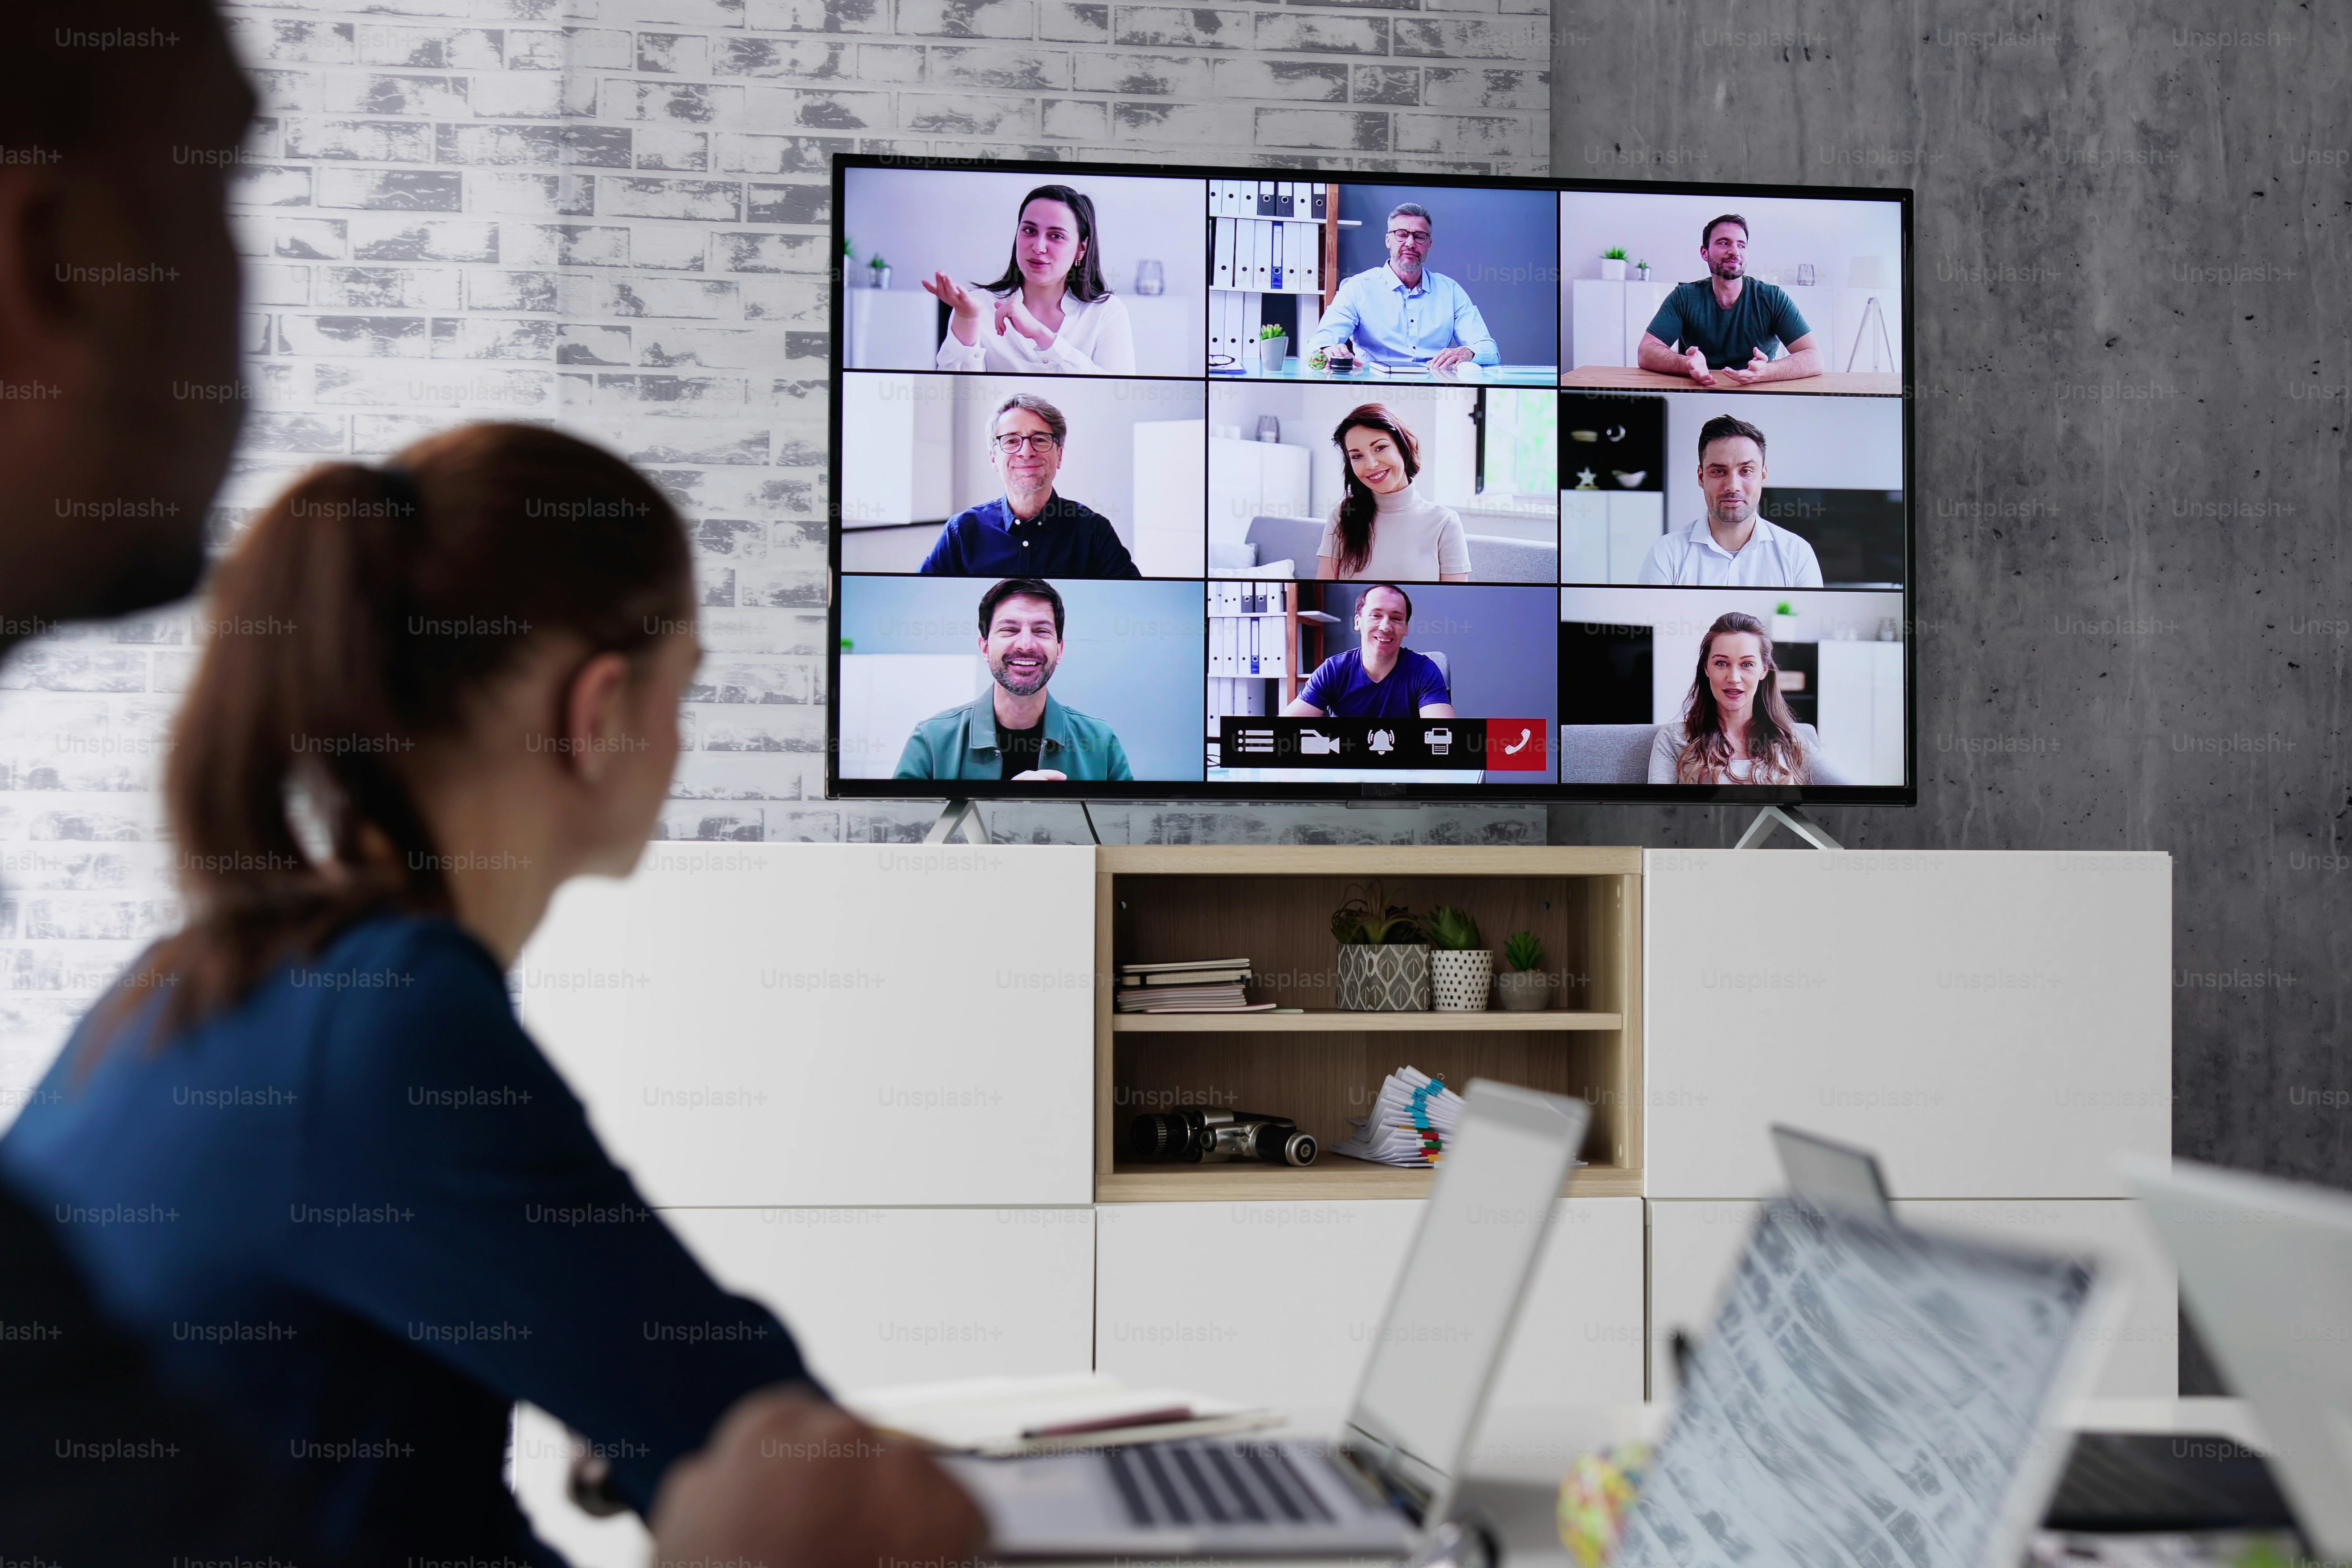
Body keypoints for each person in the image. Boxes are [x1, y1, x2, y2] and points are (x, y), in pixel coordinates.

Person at [0, 424, 986, 1563]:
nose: (681, 741)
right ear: (599, 712)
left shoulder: (185, 980)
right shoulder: (391, 1018)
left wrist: (630, 1400)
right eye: (685, 689)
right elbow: (801, 1463)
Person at [895, 577, 1135, 781]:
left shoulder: (1100, 741)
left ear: (1060, 650)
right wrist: (1005, 808)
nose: (1026, 645)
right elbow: (899, 822)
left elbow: (1128, 822)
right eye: (1010, 630)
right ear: (985, 648)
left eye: (1041, 631)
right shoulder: (932, 740)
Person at [920, 392, 1140, 578]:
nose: (1026, 453)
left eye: (1040, 440)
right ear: (994, 458)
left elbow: (1131, 599)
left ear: (1059, 455)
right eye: (1011, 441)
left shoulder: (1093, 531)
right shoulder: (962, 531)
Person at [925, 183, 1136, 375]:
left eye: (1056, 236)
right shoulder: (979, 305)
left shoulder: (1106, 311)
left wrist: (1041, 335)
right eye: (1029, 231)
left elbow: (1115, 392)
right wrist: (967, 319)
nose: (1038, 247)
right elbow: (954, 392)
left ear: (1082, 248)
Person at [1647, 612, 1845, 785]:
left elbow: (1850, 796)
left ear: (1764, 670)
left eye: (1747, 664)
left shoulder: (1791, 740)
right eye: (1722, 663)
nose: (1734, 678)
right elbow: (1657, 812)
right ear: (1706, 668)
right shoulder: (1674, 739)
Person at [1636, 215, 1824, 388]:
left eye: (1742, 245)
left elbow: (1815, 358)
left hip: (1759, 395)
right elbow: (1646, 352)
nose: (1735, 252)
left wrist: (1766, 372)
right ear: (1705, 253)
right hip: (1702, 393)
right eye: (1724, 243)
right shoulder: (1684, 297)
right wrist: (1687, 364)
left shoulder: (1773, 298)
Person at [1307, 203, 1500, 372]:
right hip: (1373, 385)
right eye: (1402, 235)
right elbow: (1319, 342)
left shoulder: (1451, 291)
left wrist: (1468, 352)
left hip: (1435, 387)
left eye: (1420, 237)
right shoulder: (1357, 288)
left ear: (1429, 245)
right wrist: (1328, 349)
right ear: (1388, 240)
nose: (1410, 243)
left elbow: (1489, 350)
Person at [1638, 415, 1824, 587]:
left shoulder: (1797, 555)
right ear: (1702, 477)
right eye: (1719, 471)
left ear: (1763, 476)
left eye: (1746, 471)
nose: (1733, 486)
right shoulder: (1666, 554)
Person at [1317, 404, 1472, 583]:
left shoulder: (1444, 522)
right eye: (1357, 456)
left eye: (1380, 448)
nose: (1371, 465)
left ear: (1403, 448)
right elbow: (1325, 586)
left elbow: (1454, 596)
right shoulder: (1344, 513)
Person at [1282, 584, 1457, 719]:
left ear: (1406, 628)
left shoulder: (1424, 670)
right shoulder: (1333, 670)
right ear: (1358, 622)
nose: (1386, 627)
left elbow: (1444, 733)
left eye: (1396, 618)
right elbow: (1286, 732)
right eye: (1376, 616)